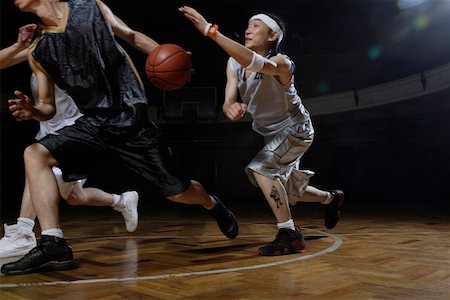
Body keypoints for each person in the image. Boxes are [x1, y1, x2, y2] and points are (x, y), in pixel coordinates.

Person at [1, 0, 237, 276]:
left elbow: (132, 36)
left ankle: (211, 203)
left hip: (131, 118)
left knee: (178, 193)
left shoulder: (90, 7)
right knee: (35, 154)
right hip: (93, 124)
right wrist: (33, 111)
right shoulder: (39, 48)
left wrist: (168, 57)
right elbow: (47, 106)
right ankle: (54, 242)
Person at [179, 6, 344, 256]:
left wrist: (210, 31)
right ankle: (331, 198)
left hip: (295, 128)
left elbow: (255, 62)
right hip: (272, 134)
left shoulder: (281, 63)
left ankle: (289, 233)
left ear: (272, 36)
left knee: (262, 170)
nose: (248, 29)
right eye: (248, 24)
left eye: (256, 25)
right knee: (288, 191)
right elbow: (228, 97)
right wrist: (229, 106)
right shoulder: (233, 63)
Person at [0, 24, 140, 259]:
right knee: (75, 197)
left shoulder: (76, 51)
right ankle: (122, 200)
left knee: (38, 168)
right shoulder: (42, 48)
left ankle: (22, 233)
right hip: (49, 131)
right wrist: (19, 46)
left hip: (76, 131)